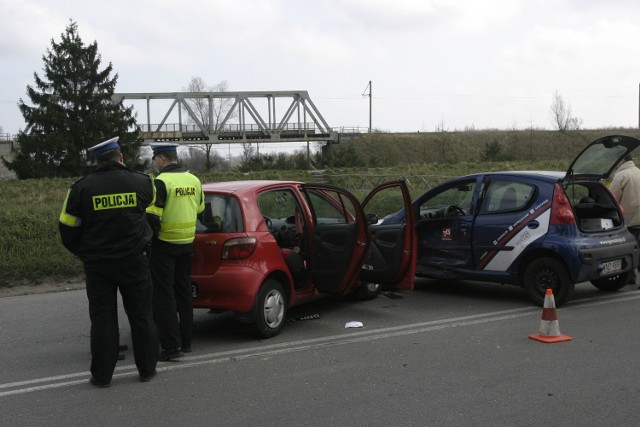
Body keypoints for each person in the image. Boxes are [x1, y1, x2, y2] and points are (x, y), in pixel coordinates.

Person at [58, 136, 158, 388]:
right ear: (120, 156)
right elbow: (154, 218)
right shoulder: (142, 182)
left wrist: (84, 252)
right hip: (135, 261)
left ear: (97, 161)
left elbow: (67, 228)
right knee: (141, 315)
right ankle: (147, 370)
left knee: (102, 319)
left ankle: (102, 376)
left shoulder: (80, 188)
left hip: (98, 265)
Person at [147, 143, 204, 361]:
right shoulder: (194, 180)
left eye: (154, 159)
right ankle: (187, 342)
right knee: (183, 293)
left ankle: (171, 347)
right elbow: (200, 211)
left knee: (164, 296)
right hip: (187, 244)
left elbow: (152, 218)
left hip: (164, 246)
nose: (154, 164)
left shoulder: (161, 182)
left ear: (161, 158)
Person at [610, 153, 640, 284]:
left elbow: (612, 199)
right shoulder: (638, 172)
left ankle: (630, 276)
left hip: (629, 220)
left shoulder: (621, 176)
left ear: (622, 160)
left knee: (628, 250)